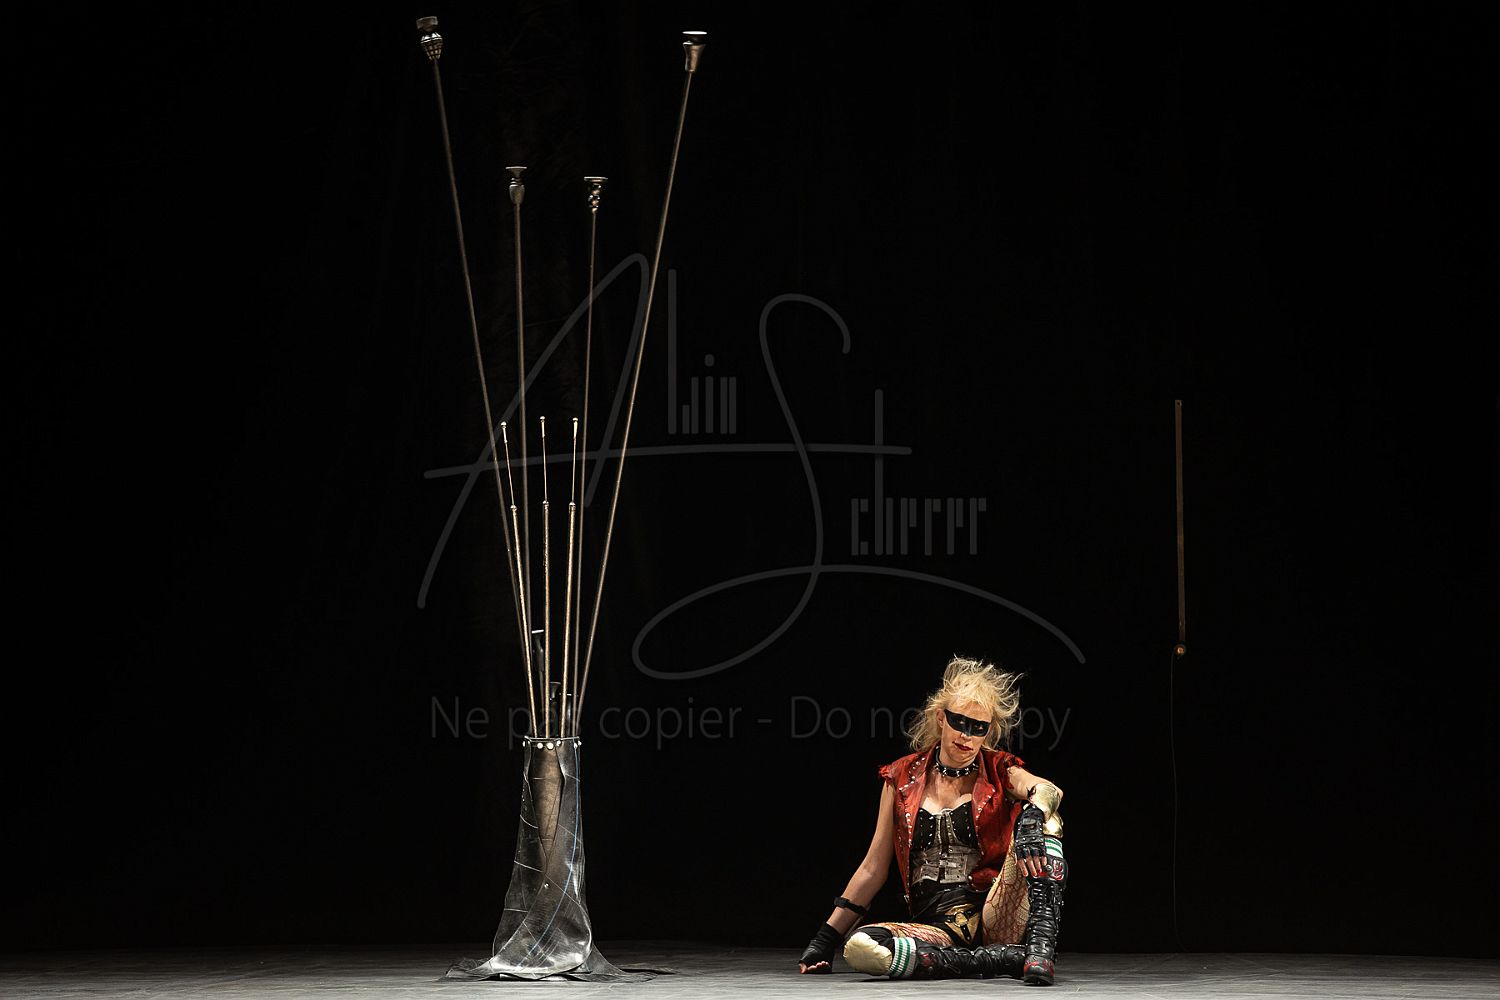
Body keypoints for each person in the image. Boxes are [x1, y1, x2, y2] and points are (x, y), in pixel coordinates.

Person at [797, 656, 1069, 985]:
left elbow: (1048, 790)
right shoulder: (901, 777)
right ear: (941, 718)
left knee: (1046, 821)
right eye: (959, 722)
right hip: (937, 929)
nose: (967, 735)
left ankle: (1039, 951)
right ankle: (1001, 959)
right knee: (860, 947)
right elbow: (873, 868)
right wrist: (826, 939)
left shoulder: (999, 770)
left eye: (978, 728)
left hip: (997, 914)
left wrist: (1032, 815)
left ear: (988, 731)